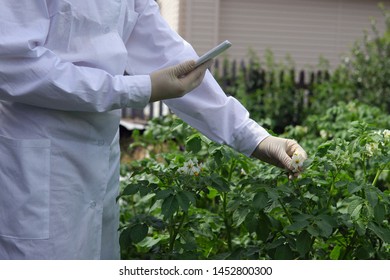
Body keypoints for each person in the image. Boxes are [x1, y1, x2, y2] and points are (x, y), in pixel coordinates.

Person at [0, 0, 307, 259]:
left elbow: (170, 56)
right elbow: (13, 64)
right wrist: (137, 89)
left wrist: (255, 137)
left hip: (99, 170)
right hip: (34, 169)